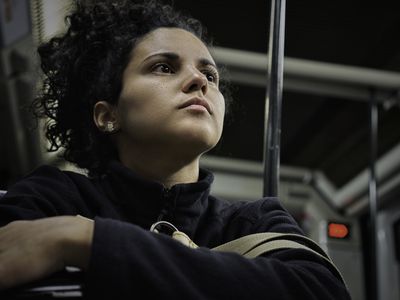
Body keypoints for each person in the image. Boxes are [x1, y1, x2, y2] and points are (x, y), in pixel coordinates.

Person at [0, 0, 351, 299]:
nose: (200, 81)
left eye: (210, 75)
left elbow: (320, 291)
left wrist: (85, 239)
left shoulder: (253, 223)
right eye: (164, 67)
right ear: (108, 115)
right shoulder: (52, 197)